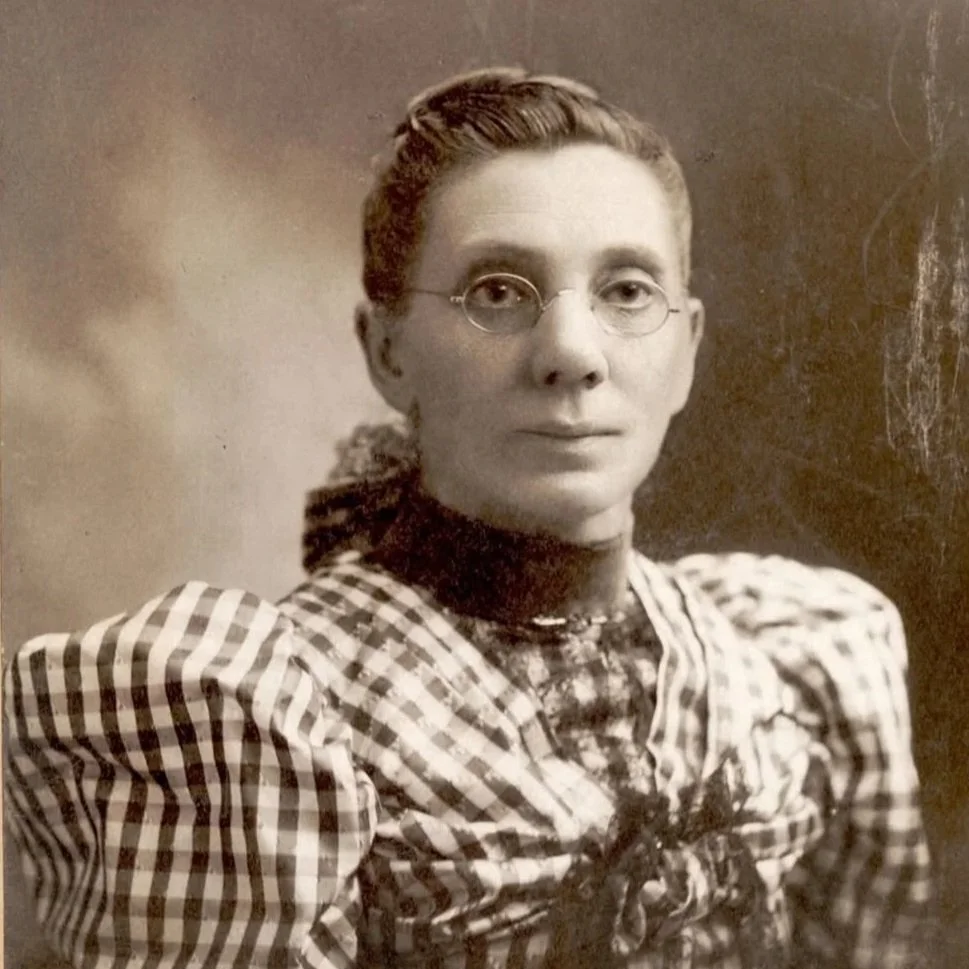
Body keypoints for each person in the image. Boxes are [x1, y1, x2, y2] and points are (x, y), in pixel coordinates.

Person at [3, 68, 934, 969]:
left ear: (686, 347)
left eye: (625, 291)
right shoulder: (275, 718)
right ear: (388, 352)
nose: (571, 354)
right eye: (497, 292)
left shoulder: (786, 660)